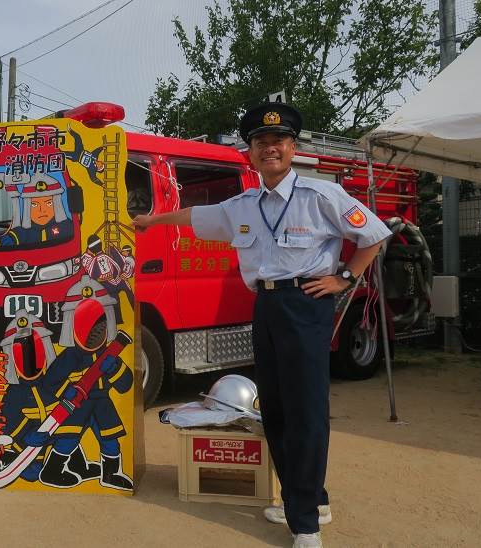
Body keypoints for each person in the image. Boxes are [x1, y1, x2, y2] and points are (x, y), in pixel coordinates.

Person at [132, 102, 392, 548]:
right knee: (274, 408)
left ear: (292, 147)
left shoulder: (320, 196)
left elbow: (375, 235)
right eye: (260, 143)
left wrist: (344, 277)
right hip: (266, 306)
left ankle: (306, 523)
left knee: (306, 411)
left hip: (306, 303)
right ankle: (309, 498)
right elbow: (193, 217)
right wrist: (151, 220)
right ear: (250, 153)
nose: (269, 149)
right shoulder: (241, 206)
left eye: (278, 142)